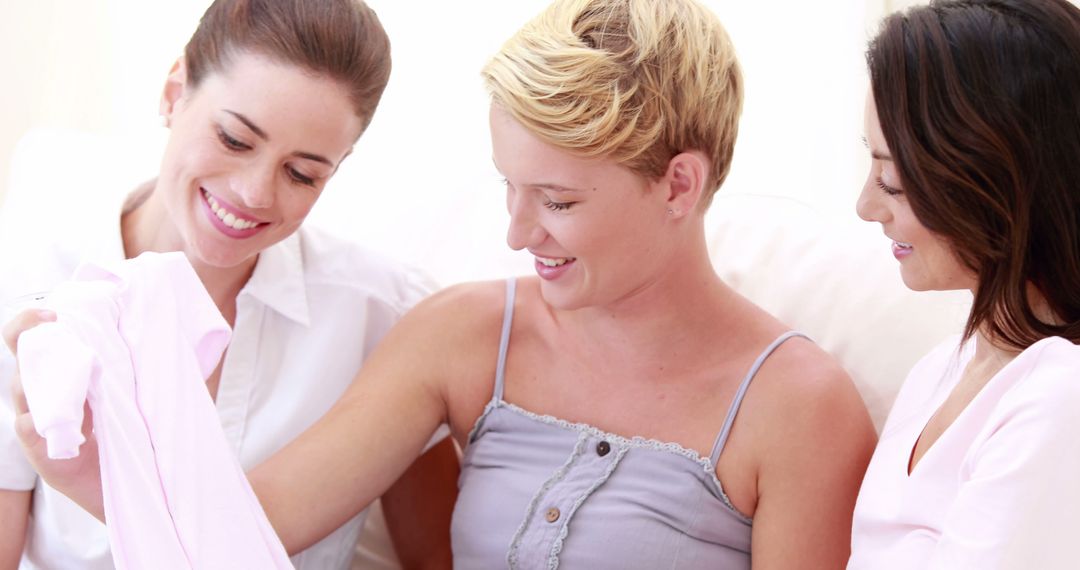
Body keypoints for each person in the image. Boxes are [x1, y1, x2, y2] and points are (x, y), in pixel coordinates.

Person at [6, 0, 877, 567]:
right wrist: (80, 463)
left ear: (680, 186)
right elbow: (241, 530)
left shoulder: (801, 408)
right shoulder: (462, 335)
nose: (515, 233)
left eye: (559, 201)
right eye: (510, 188)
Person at [0, 1, 459, 569]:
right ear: (175, 92)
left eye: (302, 173)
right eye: (235, 140)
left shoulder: (383, 318)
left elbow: (437, 557)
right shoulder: (24, 279)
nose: (255, 193)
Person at [848, 0, 1080, 567]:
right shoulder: (940, 370)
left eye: (893, 180)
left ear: (990, 182)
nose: (866, 206)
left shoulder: (1060, 397)